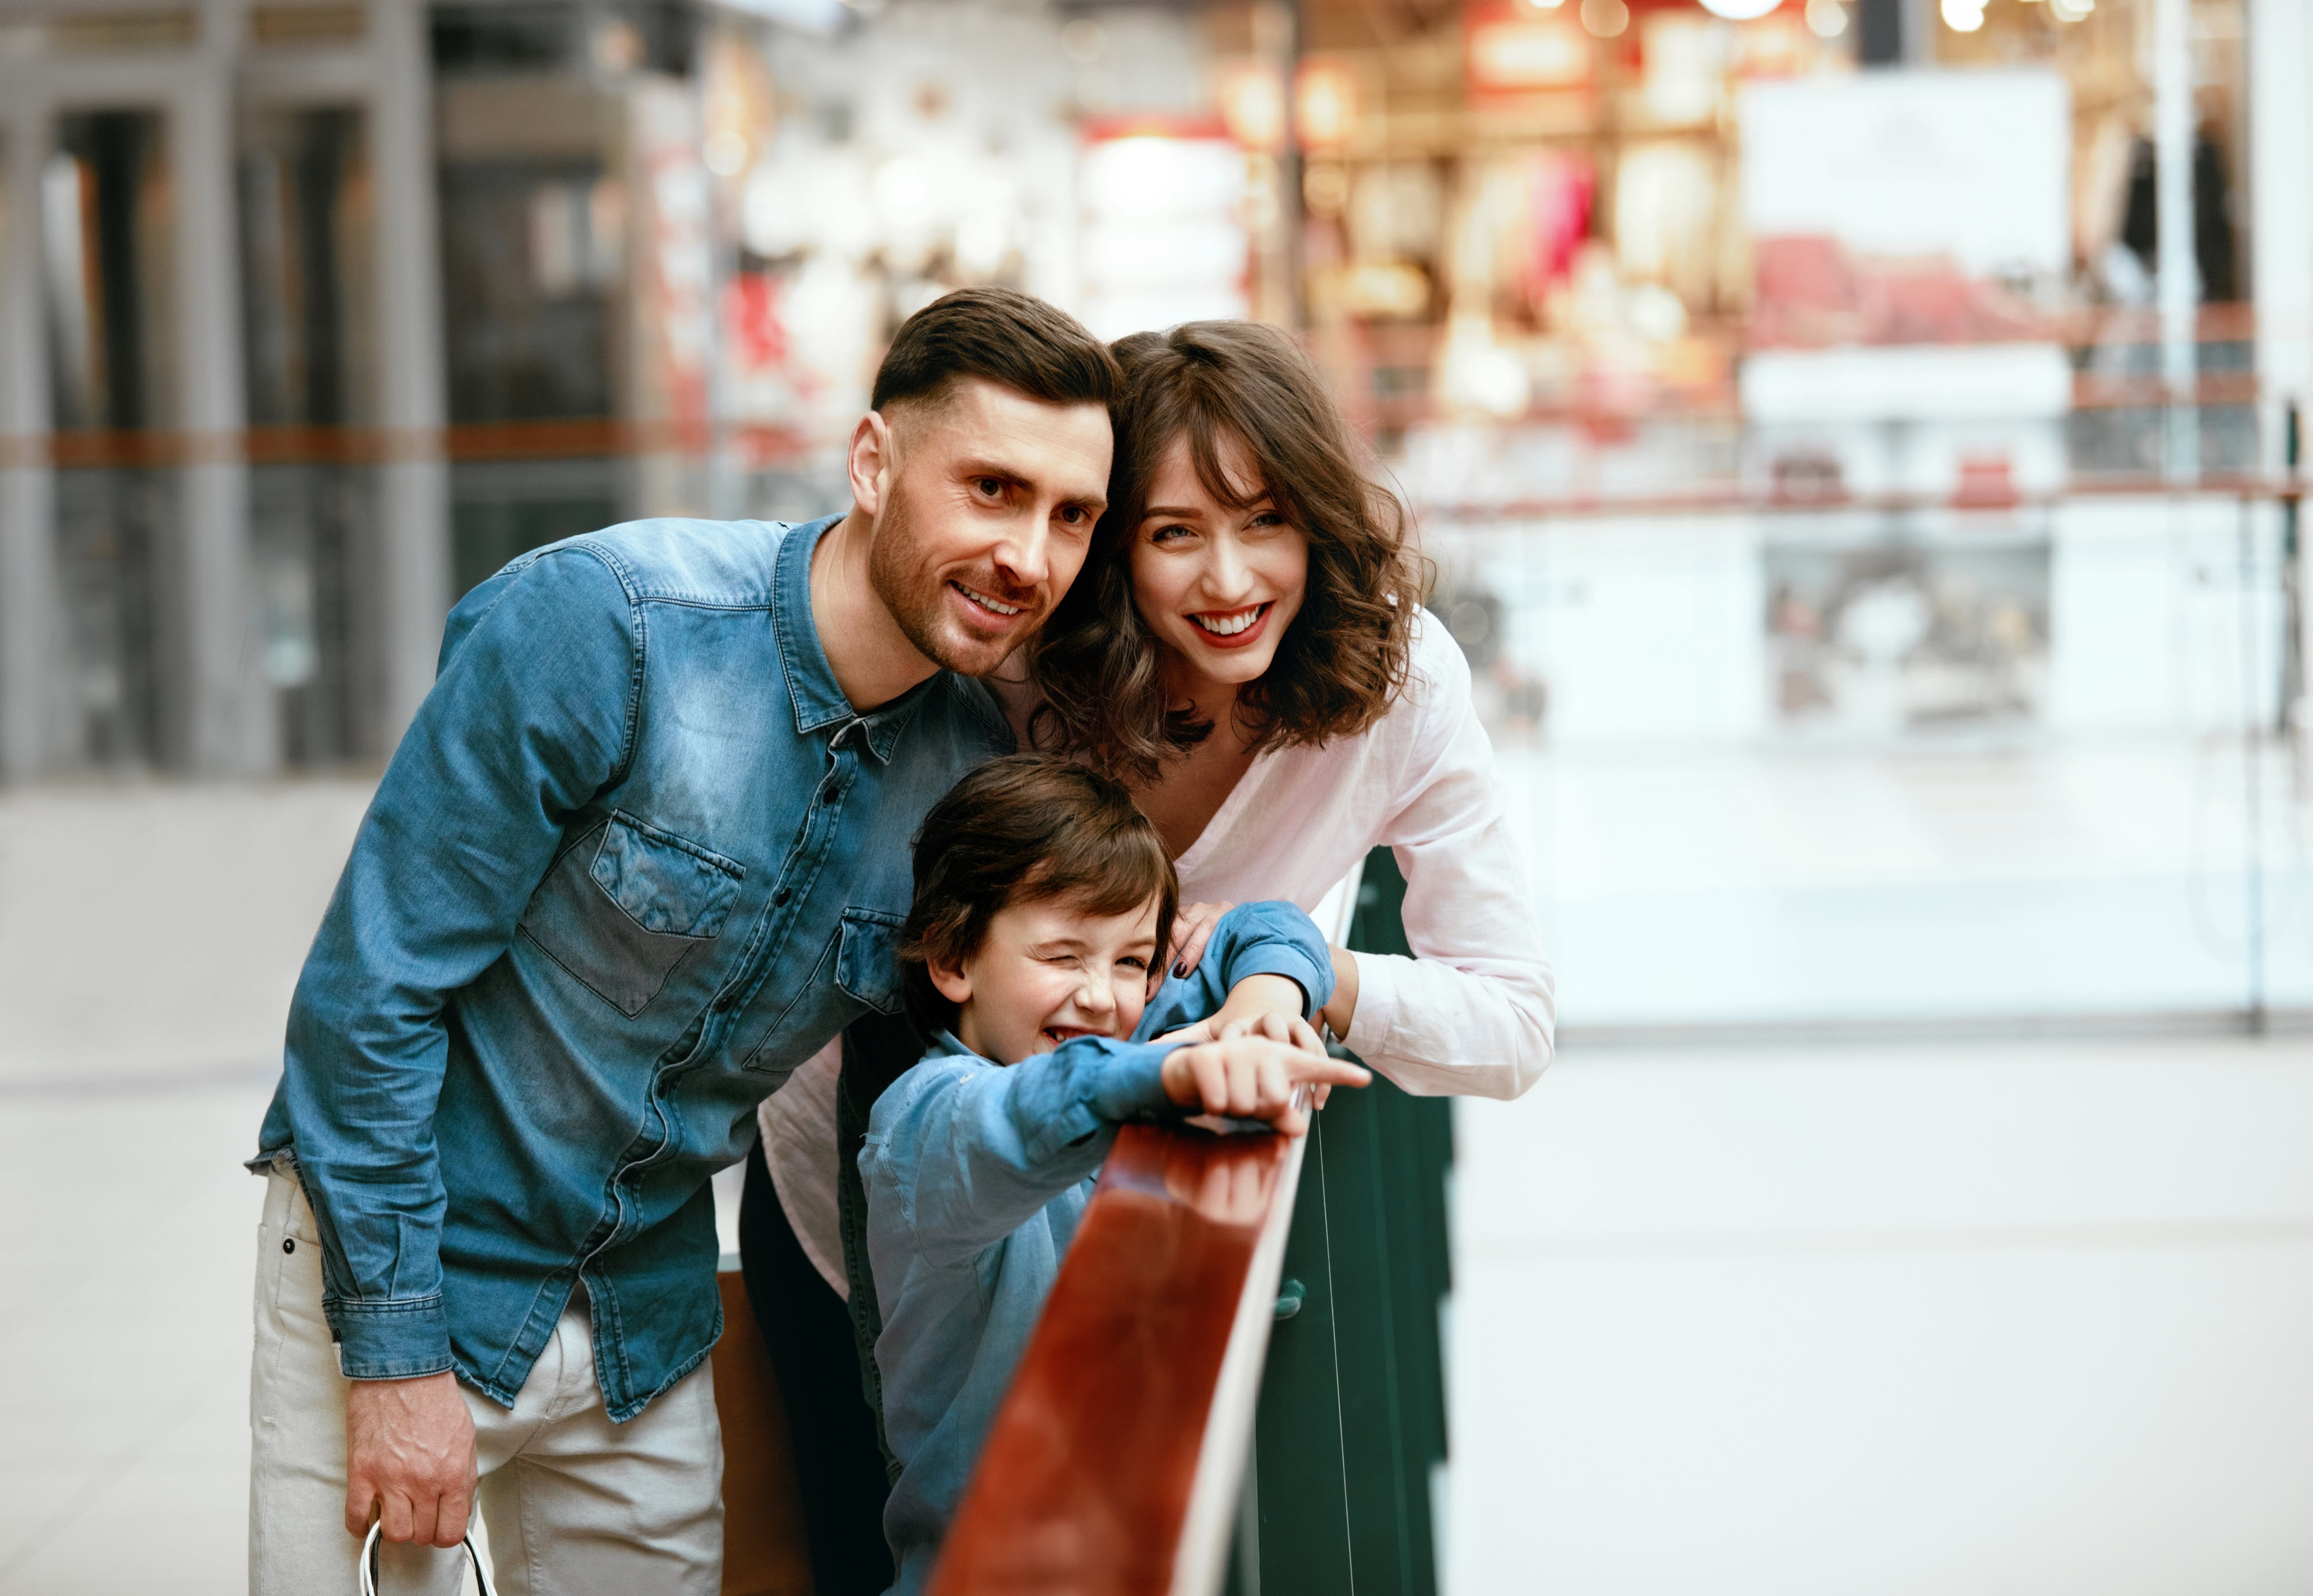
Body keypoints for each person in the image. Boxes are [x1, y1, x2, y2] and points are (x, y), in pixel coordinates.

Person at [245, 287, 1118, 1595]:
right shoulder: (609, 624)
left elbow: (1066, 966)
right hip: (403, 1263)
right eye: (991, 489)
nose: (1029, 558)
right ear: (872, 462)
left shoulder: (963, 772)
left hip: (646, 1312)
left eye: (1071, 516)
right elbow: (368, 997)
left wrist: (1251, 971)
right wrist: (392, 1354)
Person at [859, 755, 1370, 1594]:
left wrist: (1265, 1003)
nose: (1103, 998)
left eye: (1133, 961)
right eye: (1064, 956)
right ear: (953, 959)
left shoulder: (1128, 1039)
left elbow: (1271, 924)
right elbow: (1031, 1112)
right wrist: (1169, 1077)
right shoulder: (924, 1123)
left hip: (1133, 1546)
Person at [1026, 319, 1555, 1098]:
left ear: (1316, 517)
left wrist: (1301, 957)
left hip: (1173, 1155)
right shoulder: (1030, 663)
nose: (1231, 581)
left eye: (1265, 520)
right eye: (1175, 534)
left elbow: (1513, 1027)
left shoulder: (1401, 677)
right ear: (1115, 551)